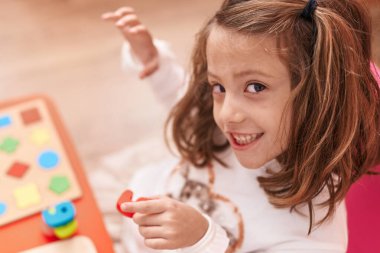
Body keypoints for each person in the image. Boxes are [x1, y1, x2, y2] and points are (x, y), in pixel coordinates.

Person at [102, 0, 380, 252]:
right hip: (132, 223)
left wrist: (204, 240)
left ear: (319, 97)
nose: (227, 115)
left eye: (255, 87)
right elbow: (184, 100)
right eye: (218, 86)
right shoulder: (242, 126)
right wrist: (152, 59)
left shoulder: (313, 235)